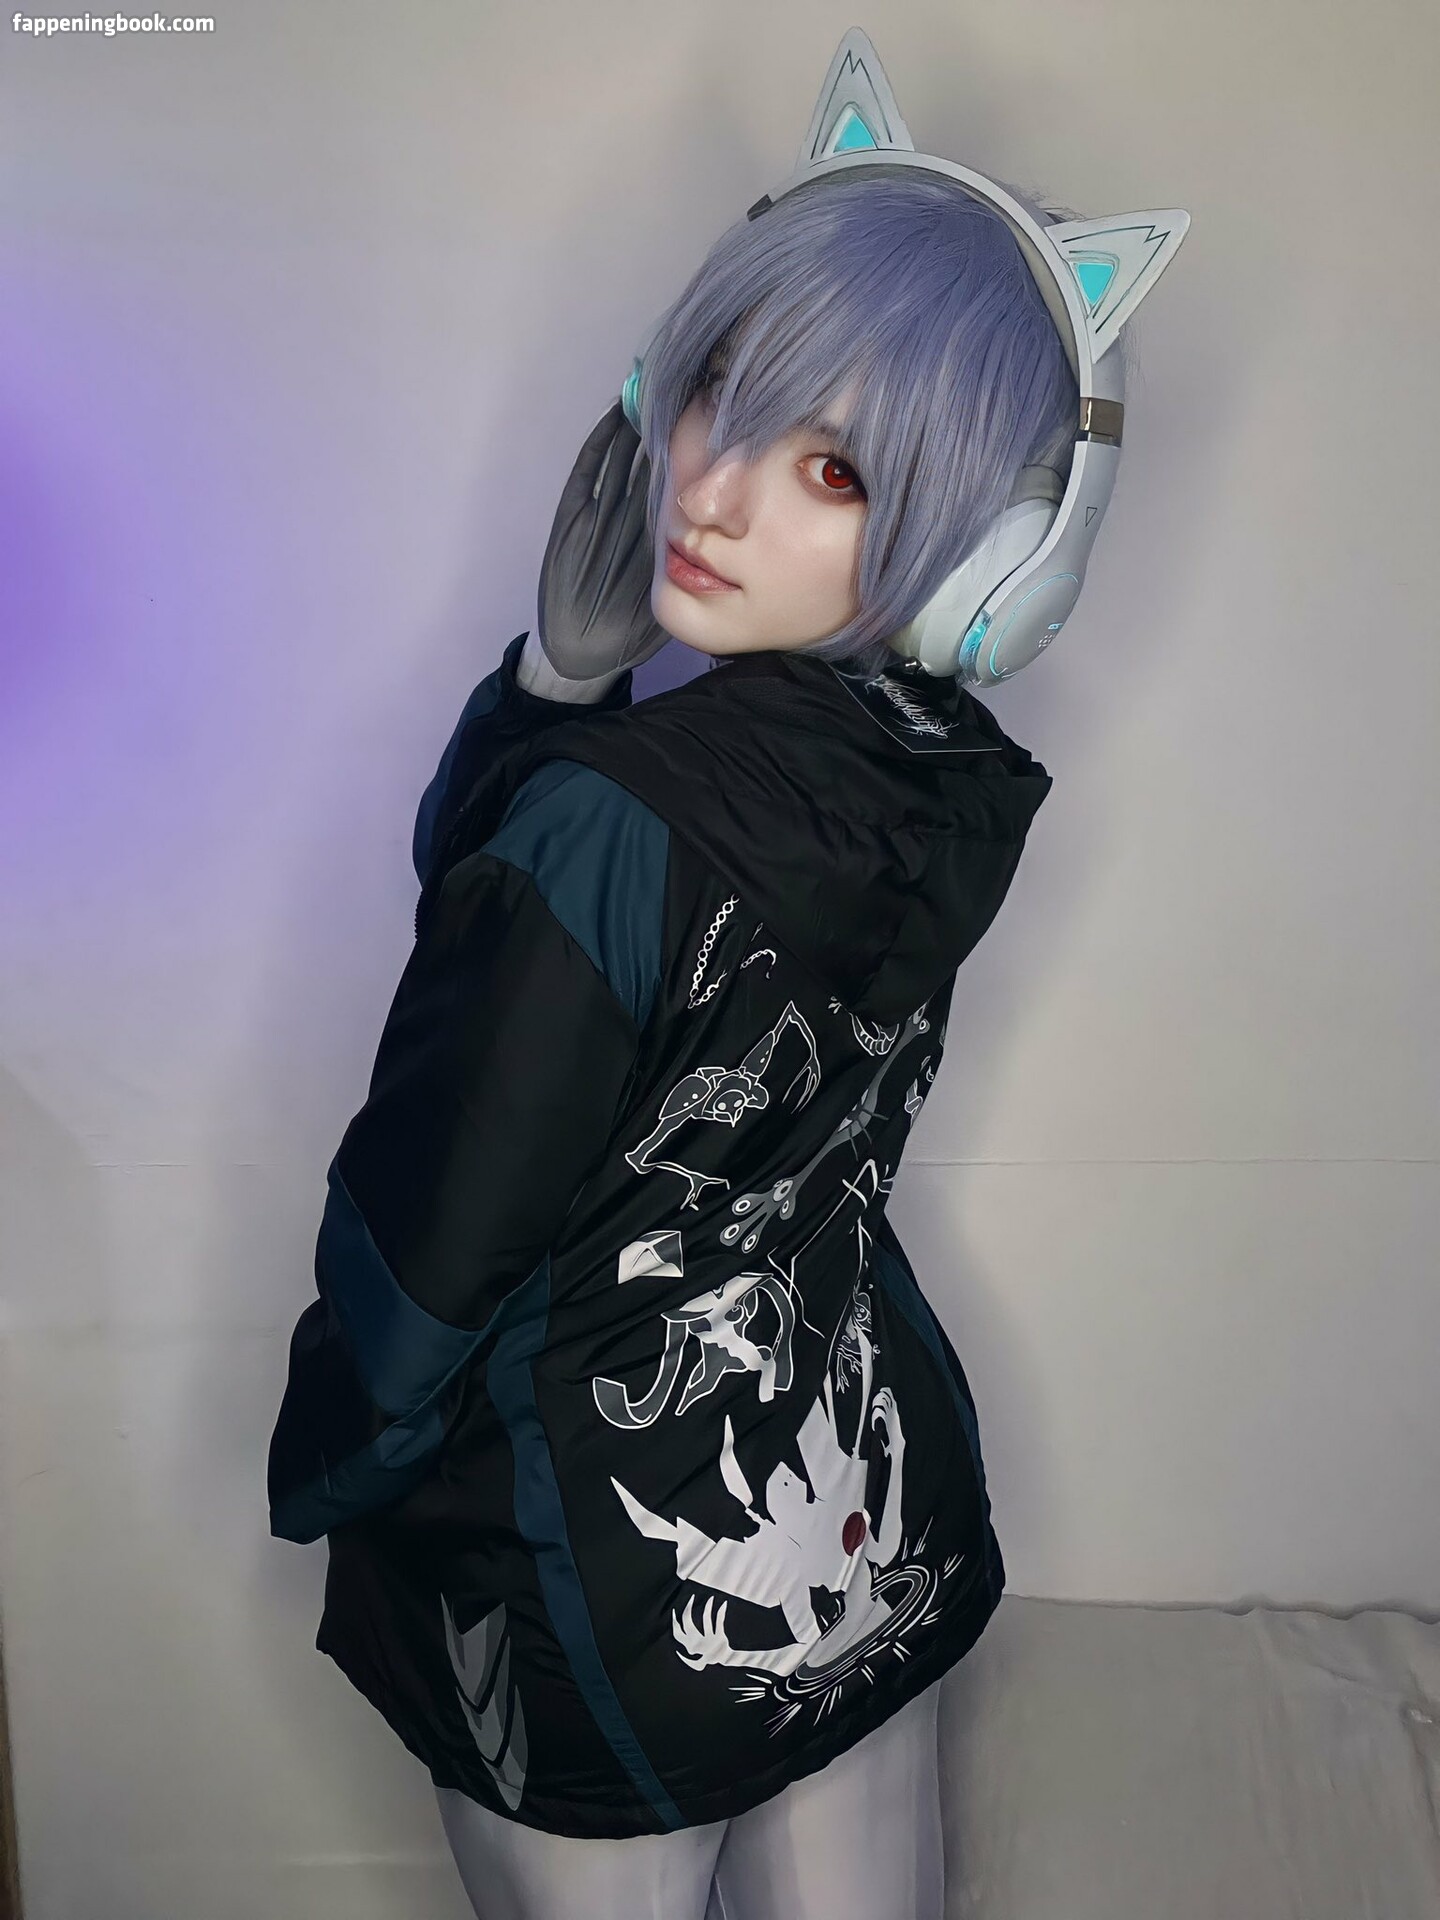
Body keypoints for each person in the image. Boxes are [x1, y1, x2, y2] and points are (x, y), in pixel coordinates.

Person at [266, 29, 1185, 1919]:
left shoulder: (609, 821)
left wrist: (332, 1474)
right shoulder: (947, 788)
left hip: (592, 1584)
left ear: (990, 561)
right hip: (867, 1522)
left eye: (833, 467)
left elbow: (431, 1243)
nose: (713, 491)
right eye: (717, 395)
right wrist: (565, 691)